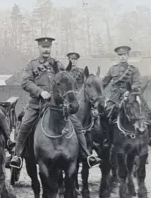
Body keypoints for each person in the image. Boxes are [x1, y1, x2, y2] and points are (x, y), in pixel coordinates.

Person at [9, 37, 101, 170]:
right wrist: (40, 92)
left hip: (57, 106)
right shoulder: (32, 65)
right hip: (37, 103)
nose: (46, 50)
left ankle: (87, 155)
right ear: (39, 48)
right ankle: (17, 156)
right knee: (25, 124)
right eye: (43, 47)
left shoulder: (58, 64)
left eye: (48, 47)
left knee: (77, 124)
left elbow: (66, 79)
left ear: (51, 48)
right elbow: (26, 82)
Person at [102, 45, 151, 146]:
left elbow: (137, 82)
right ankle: (107, 138)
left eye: (124, 55)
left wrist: (131, 90)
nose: (122, 57)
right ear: (117, 57)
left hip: (131, 94)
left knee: (149, 112)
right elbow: (104, 82)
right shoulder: (112, 69)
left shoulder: (133, 70)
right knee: (105, 114)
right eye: (120, 55)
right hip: (115, 97)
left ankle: (150, 137)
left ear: (128, 56)